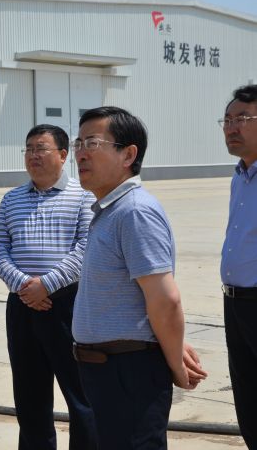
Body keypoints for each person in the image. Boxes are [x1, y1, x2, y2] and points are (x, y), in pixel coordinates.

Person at [71, 106, 207, 449]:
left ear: (128, 154)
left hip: (128, 372)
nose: (81, 154)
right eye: (78, 143)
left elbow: (165, 299)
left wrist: (175, 364)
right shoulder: (111, 210)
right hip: (106, 371)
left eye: (92, 143)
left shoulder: (135, 212)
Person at [0, 124, 97, 450]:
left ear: (63, 155)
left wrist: (47, 285)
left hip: (67, 306)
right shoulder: (11, 200)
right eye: (29, 149)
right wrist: (25, 286)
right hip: (22, 305)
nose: (33, 156)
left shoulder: (83, 196)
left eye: (41, 149)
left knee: (82, 398)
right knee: (29, 397)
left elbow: (86, 249)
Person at [220, 84, 257, 449]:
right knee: (247, 398)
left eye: (243, 118)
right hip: (235, 303)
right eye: (227, 120)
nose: (232, 127)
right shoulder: (239, 176)